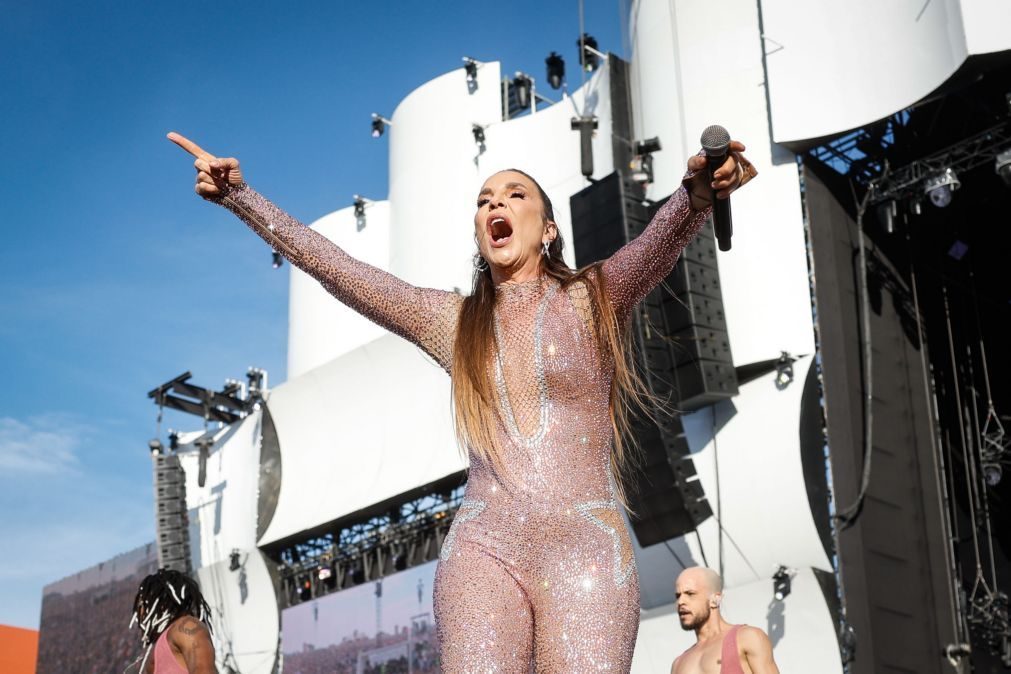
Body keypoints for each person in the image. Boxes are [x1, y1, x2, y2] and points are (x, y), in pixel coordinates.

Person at [167, 130, 754, 672]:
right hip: (484, 549)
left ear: (547, 229)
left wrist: (696, 194)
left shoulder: (592, 297)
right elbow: (339, 270)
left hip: (586, 547)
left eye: (514, 195)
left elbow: (656, 244)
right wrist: (242, 199)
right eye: (483, 199)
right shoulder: (453, 321)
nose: (495, 205)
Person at [672, 567, 779, 674]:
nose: (680, 601)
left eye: (690, 594)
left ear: (715, 599)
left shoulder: (748, 638)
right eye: (678, 596)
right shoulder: (678, 664)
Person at [129, 568, 217, 673]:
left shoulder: (186, 627)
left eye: (142, 604)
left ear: (158, 602)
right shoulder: (153, 653)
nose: (139, 613)